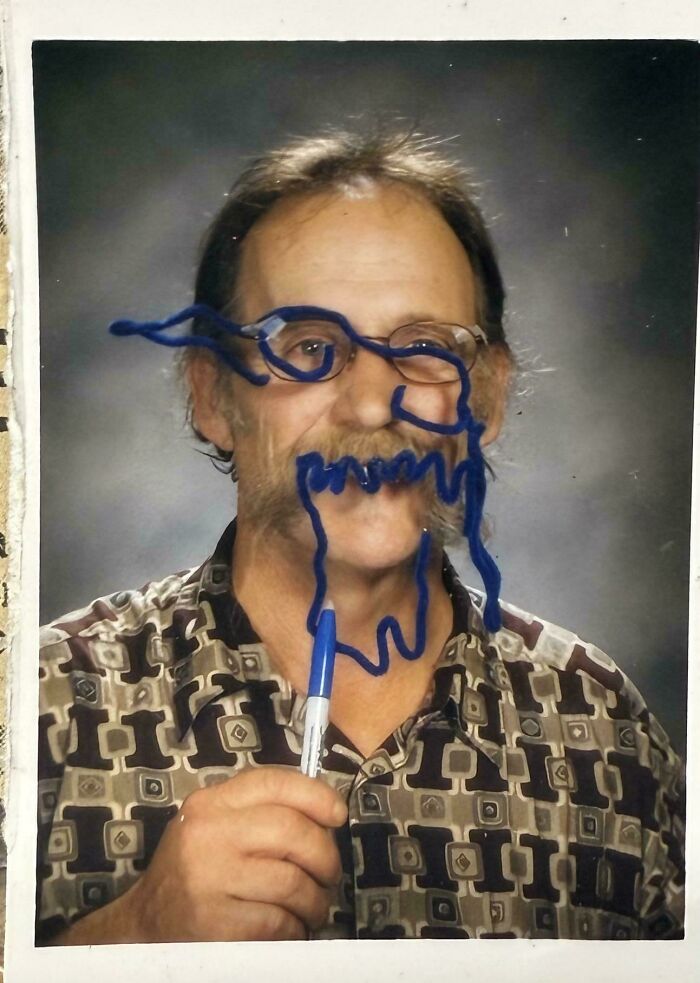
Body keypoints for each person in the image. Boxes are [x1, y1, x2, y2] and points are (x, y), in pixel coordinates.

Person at [37, 128, 685, 943]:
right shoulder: (47, 704)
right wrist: (133, 935)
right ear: (212, 396)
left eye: (422, 348)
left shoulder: (605, 728)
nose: (375, 404)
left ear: (483, 400)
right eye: (311, 348)